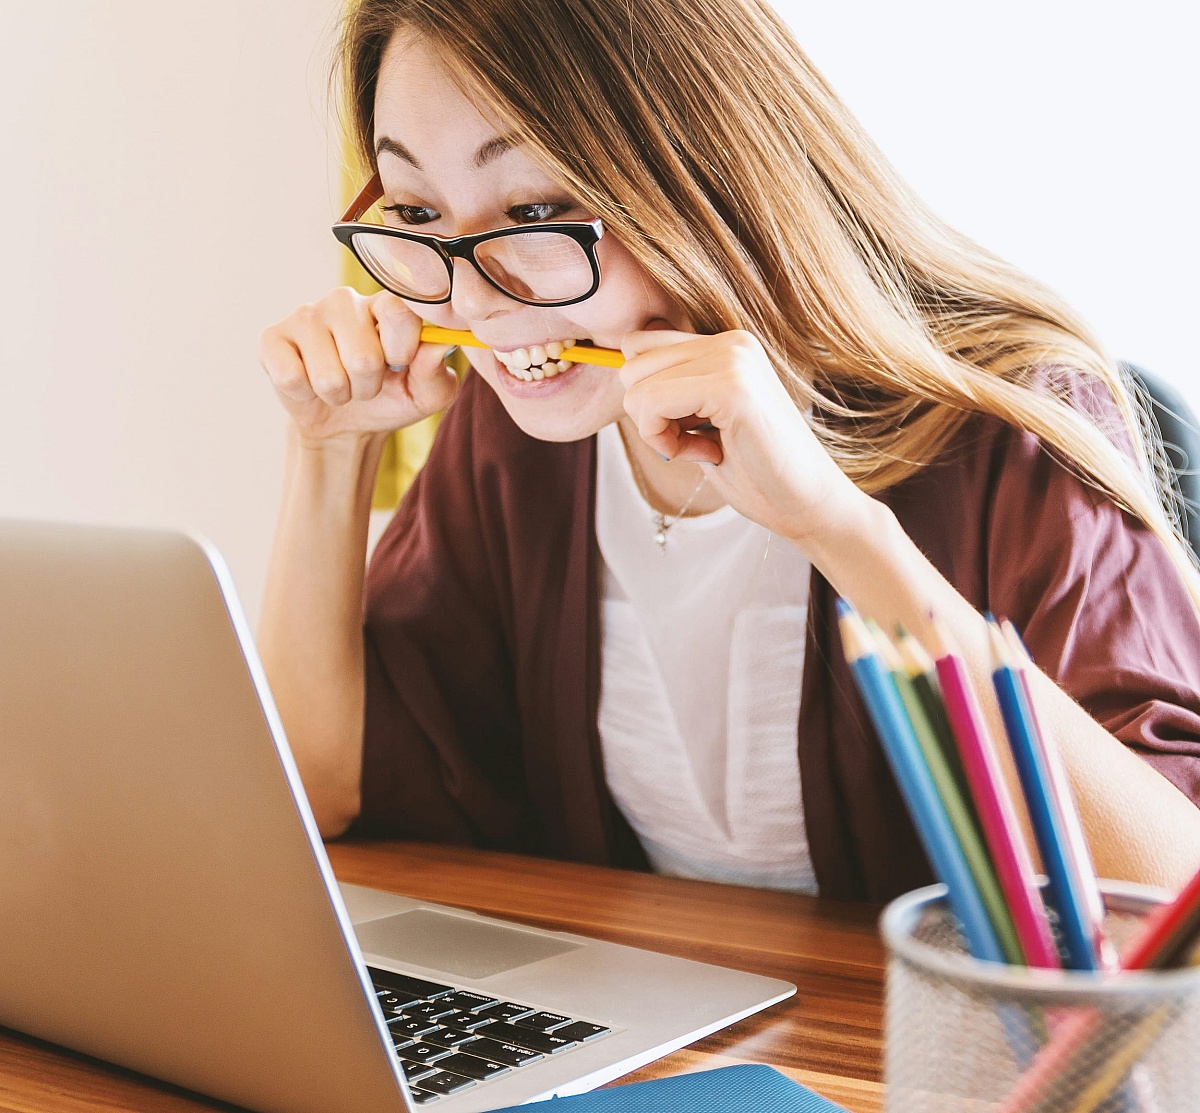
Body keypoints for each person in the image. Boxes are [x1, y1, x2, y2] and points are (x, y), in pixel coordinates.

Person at [257, 0, 1200, 902]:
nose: (472, 303)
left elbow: (1172, 897)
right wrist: (328, 452)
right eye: (419, 214)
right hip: (662, 1045)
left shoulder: (1009, 420)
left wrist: (836, 529)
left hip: (926, 1064)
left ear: (701, 172)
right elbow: (324, 785)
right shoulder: (519, 431)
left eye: (537, 209)